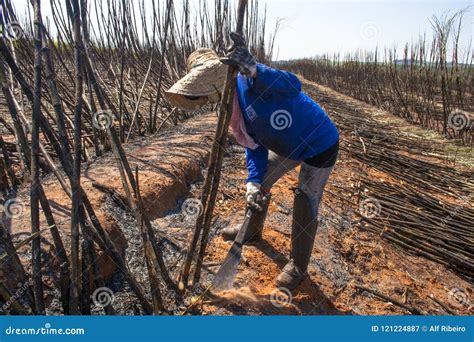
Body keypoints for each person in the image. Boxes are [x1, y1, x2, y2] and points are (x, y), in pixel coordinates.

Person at [165, 33, 339, 290]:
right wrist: (253, 184)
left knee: (305, 197)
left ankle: (298, 267)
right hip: (287, 146)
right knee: (261, 179)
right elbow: (254, 145)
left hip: (318, 141)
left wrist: (256, 69)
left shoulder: (250, 80)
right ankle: (252, 229)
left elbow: (293, 84)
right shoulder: (230, 107)